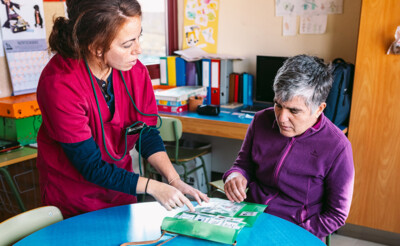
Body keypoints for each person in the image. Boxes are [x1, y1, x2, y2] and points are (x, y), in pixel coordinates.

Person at [37, 0, 208, 219]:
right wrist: (154, 187)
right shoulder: (60, 84)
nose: (138, 49)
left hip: (121, 191)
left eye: (139, 37)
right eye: (127, 44)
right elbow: (90, 166)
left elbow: (145, 132)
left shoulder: (134, 71)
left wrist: (174, 180)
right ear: (96, 46)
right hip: (74, 200)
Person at [223, 55, 354, 240]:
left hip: (295, 231)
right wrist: (236, 176)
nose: (281, 118)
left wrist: (294, 235)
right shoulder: (261, 120)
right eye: (278, 105)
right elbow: (243, 165)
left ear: (319, 109)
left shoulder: (338, 147)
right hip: (250, 219)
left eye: (294, 110)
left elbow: (336, 214)